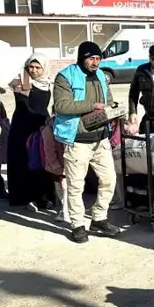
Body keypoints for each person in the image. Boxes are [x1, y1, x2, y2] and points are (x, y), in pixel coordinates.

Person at [53, 42, 121, 243]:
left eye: (98, 58)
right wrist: (92, 105)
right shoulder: (65, 76)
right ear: (82, 58)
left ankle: (99, 217)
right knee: (75, 185)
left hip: (101, 139)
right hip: (77, 139)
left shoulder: (101, 76)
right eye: (91, 58)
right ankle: (77, 224)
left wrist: (114, 109)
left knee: (109, 179)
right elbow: (61, 106)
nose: (95, 62)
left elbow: (108, 99)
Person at [7, 53, 56, 211]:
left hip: (41, 125)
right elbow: (25, 106)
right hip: (23, 127)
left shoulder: (47, 83)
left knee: (43, 160)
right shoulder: (21, 82)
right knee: (25, 161)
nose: (34, 70)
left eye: (37, 67)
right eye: (31, 67)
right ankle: (25, 197)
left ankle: (43, 197)